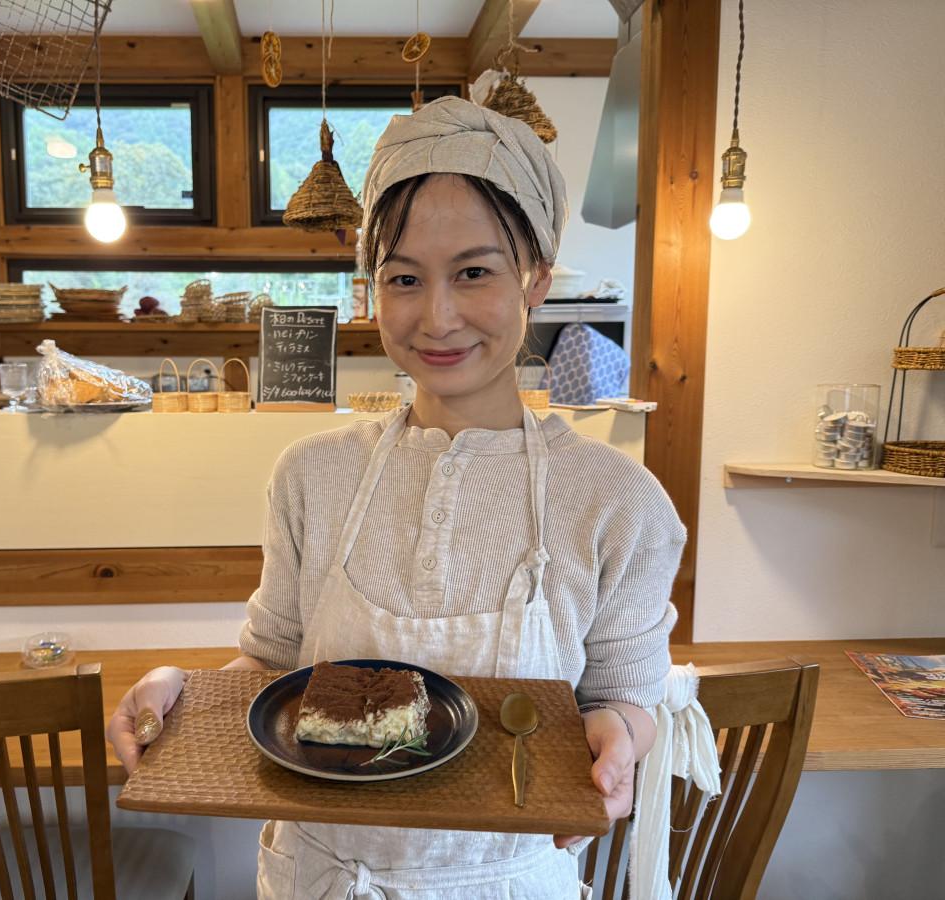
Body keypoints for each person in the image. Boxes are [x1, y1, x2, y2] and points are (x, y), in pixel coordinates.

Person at [107, 95, 685, 899]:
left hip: (506, 883)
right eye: (405, 278)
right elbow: (271, 664)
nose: (437, 317)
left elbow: (628, 694)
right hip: (320, 877)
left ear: (536, 281)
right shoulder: (310, 473)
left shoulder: (619, 500)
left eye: (474, 272)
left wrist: (618, 733)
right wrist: (187, 692)